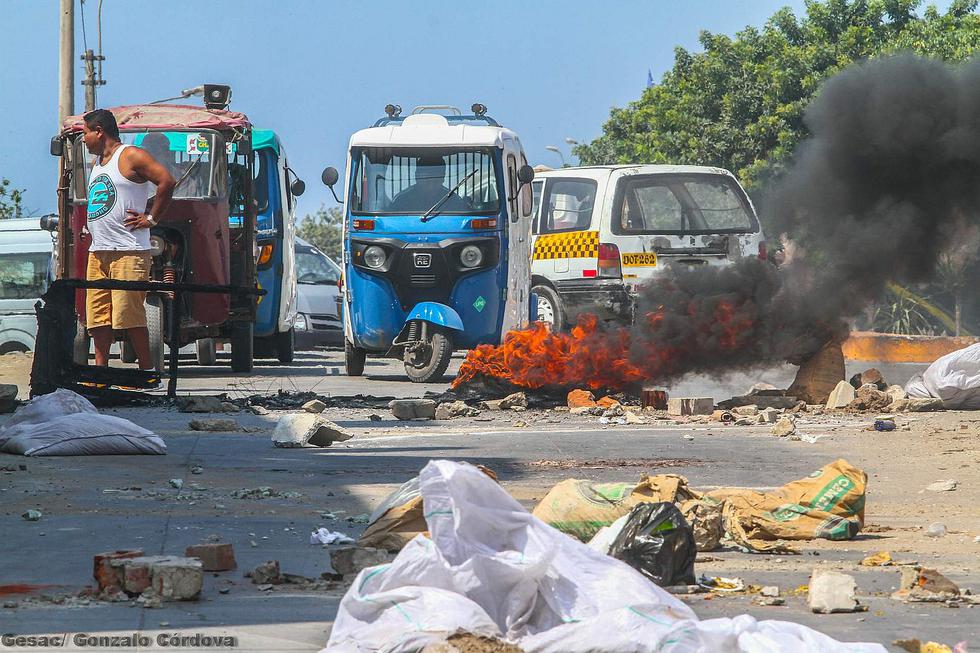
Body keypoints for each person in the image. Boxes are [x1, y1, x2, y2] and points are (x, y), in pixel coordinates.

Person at [81, 109, 176, 370]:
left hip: (129, 250)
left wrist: (151, 219)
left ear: (99, 131)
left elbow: (167, 181)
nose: (84, 139)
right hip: (98, 250)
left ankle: (146, 372)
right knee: (98, 317)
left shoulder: (131, 155)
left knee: (129, 315)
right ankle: (101, 372)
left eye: (85, 133)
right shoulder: (97, 163)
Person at [389, 155, 471, 212]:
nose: (431, 187)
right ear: (417, 176)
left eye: (436, 181)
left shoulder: (454, 201)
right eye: (427, 181)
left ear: (443, 178)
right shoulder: (401, 200)